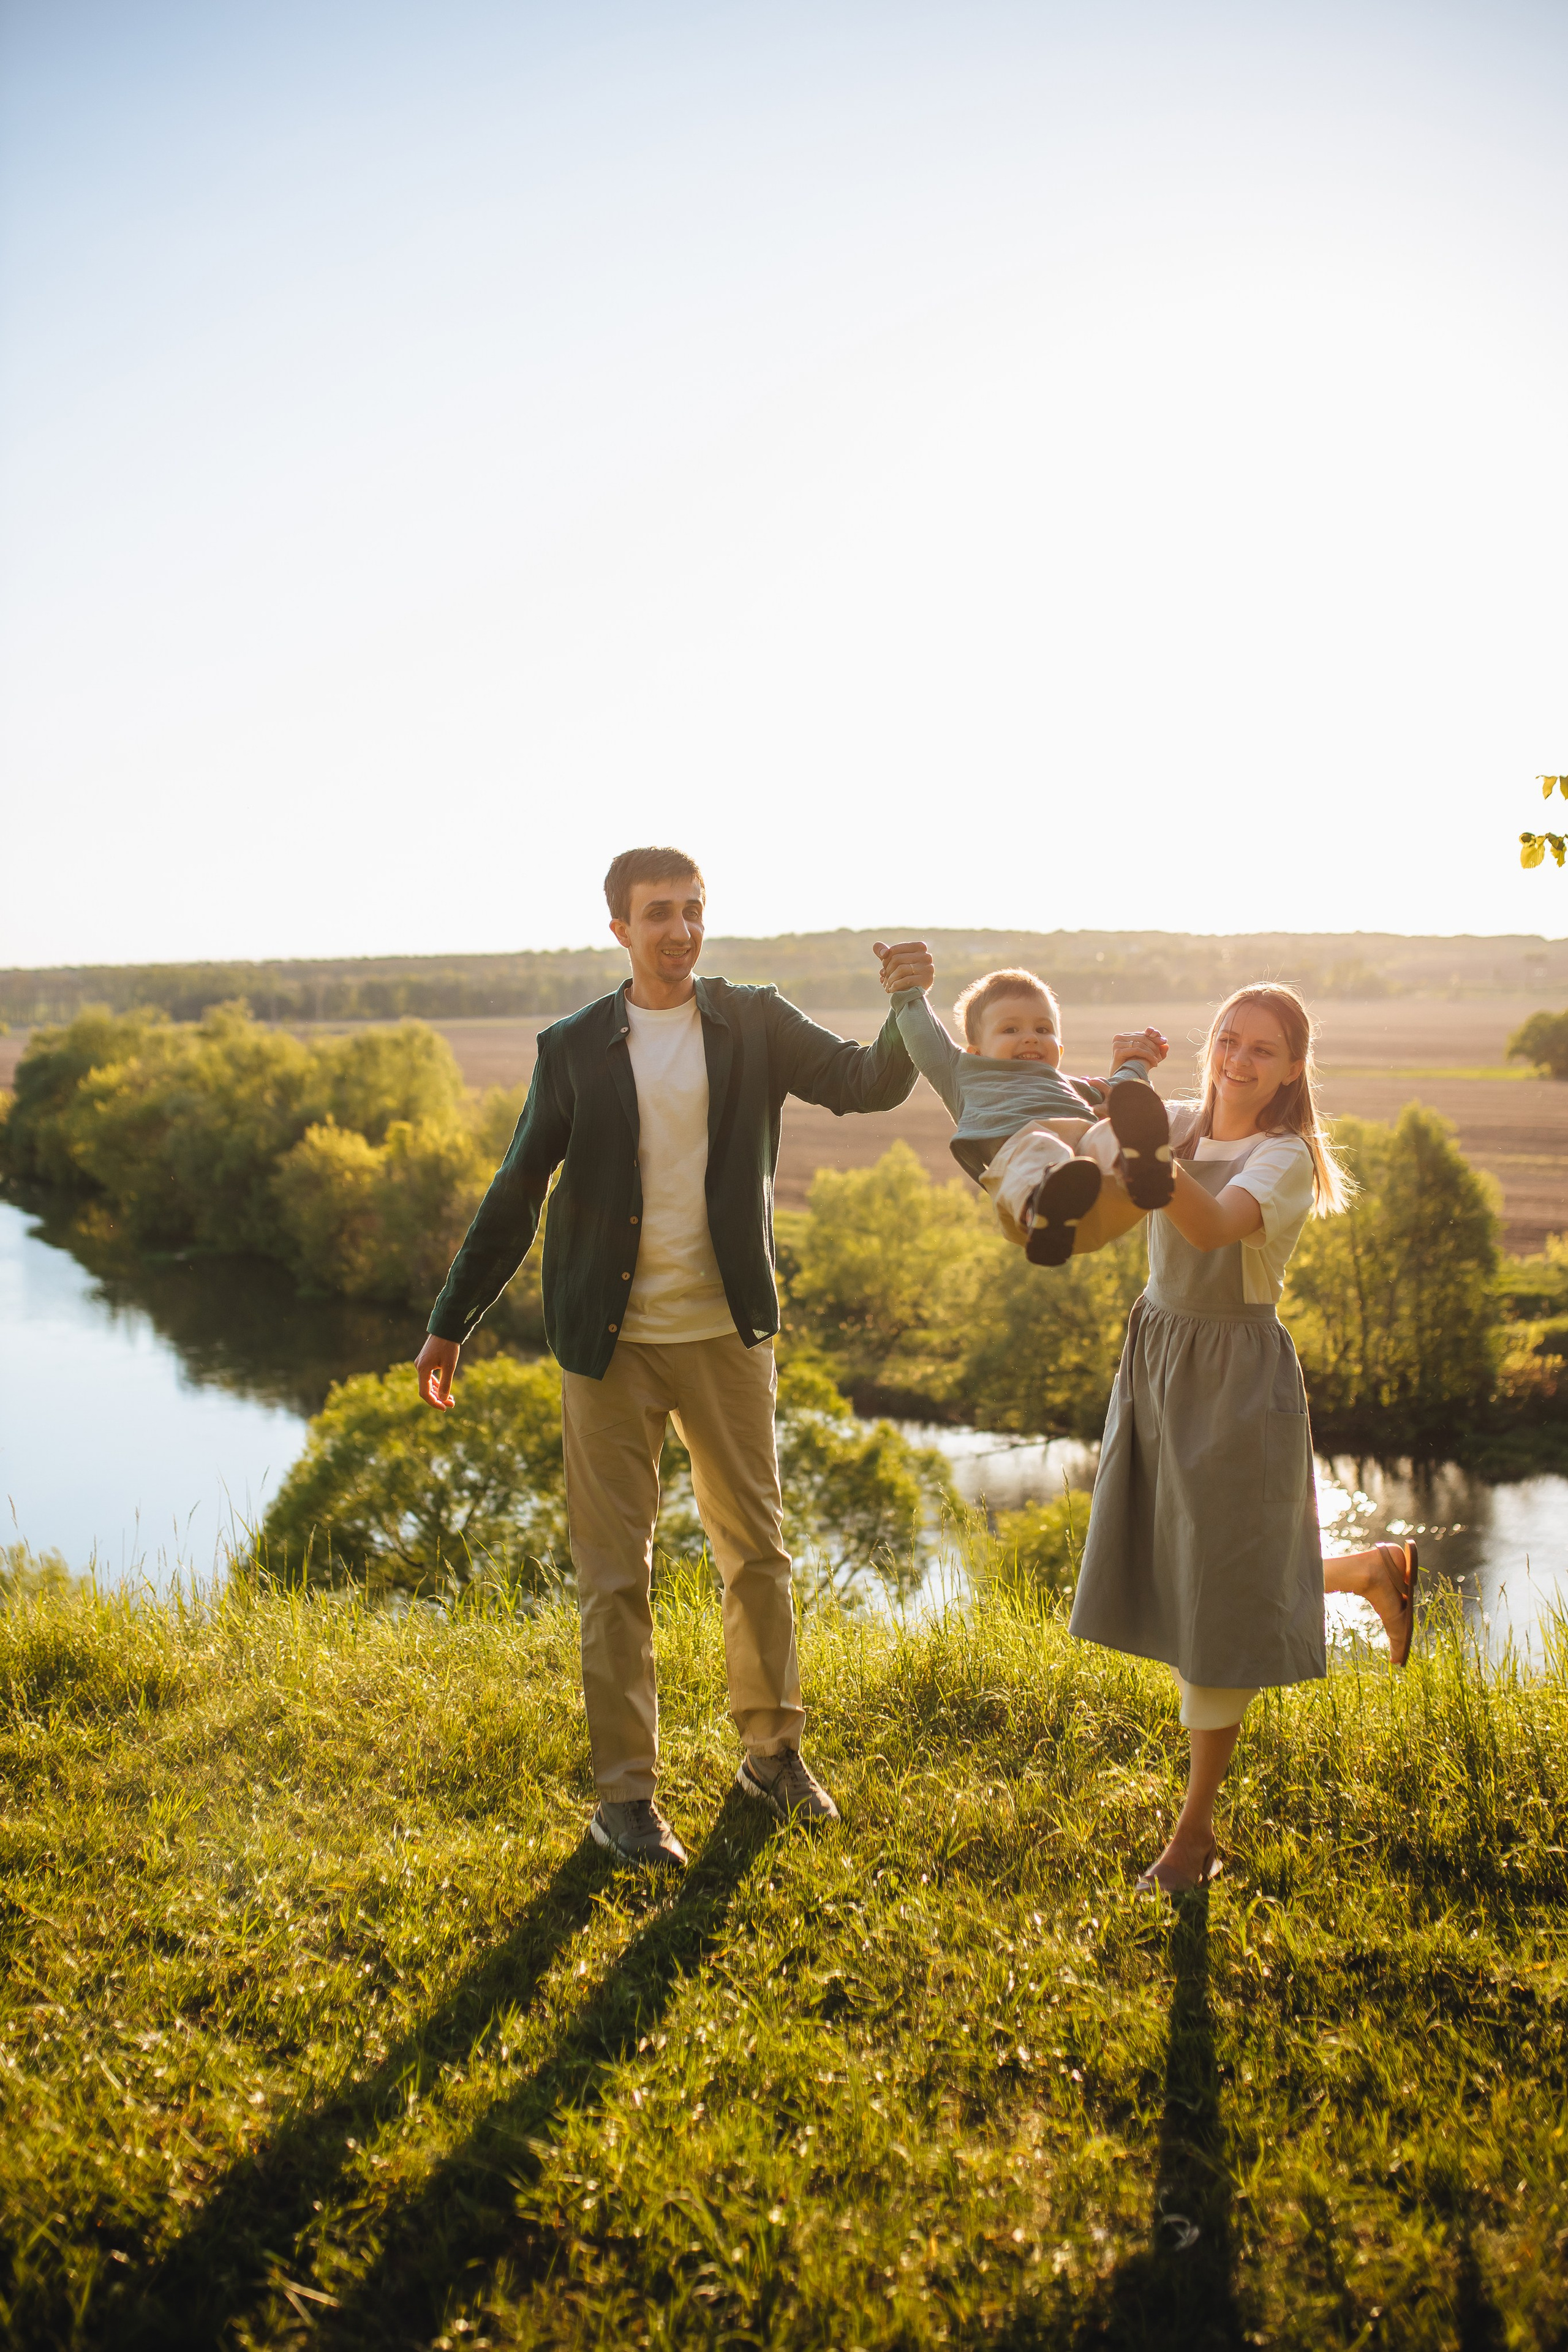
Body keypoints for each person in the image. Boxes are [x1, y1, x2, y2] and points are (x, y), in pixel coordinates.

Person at [414, 847, 933, 1871]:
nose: (681, 930)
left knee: (759, 1552)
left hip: (726, 1334)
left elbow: (867, 1085)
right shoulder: (572, 1049)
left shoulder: (755, 1021)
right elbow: (518, 1189)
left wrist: (910, 1006)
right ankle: (626, 1803)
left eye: (694, 911)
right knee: (616, 1577)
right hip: (605, 1351)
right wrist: (451, 1318)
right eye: (660, 914)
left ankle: (772, 1754)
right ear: (619, 929)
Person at [1067, 982, 1420, 1894]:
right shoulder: (1182, 1121)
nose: (1238, 1058)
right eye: (1229, 1039)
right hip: (1158, 1351)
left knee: (1219, 1605)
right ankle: (1367, 1571)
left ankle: (1193, 1837)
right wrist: (1098, 1089)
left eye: (1262, 1049)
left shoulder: (1285, 1156)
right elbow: (1088, 1130)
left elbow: (1214, 1227)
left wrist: (1145, 1145)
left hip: (1232, 1375)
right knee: (1189, 1563)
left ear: (1294, 1068)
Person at [880, 956, 1177, 1264]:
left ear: (1060, 1049)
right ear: (977, 1052)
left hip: (1099, 1187)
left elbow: (1121, 1091)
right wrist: (907, 991)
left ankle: (1144, 1171)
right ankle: (1045, 1205)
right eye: (1010, 1030)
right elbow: (924, 1037)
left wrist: (1138, 1062)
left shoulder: (1071, 1086)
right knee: (1038, 1146)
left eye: (1043, 1029)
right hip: (1033, 1203)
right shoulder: (963, 1072)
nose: (1031, 1036)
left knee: (1110, 1129)